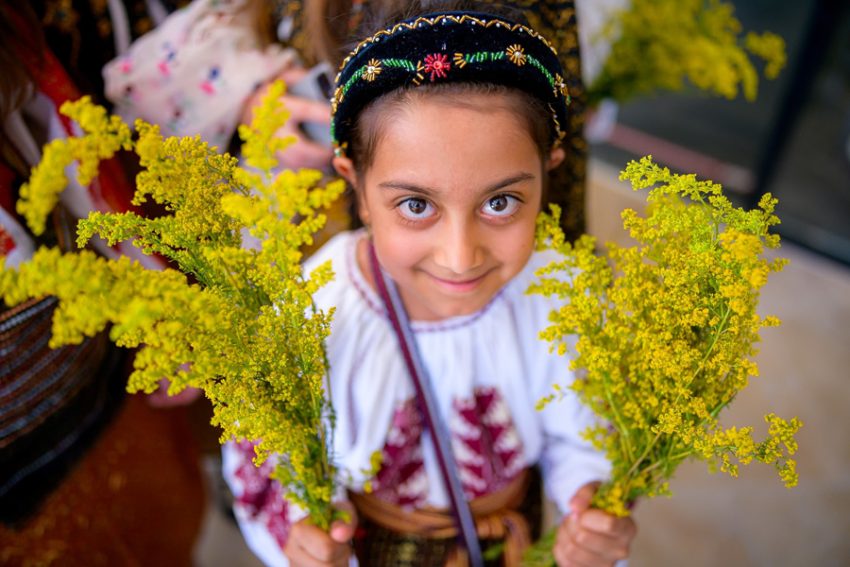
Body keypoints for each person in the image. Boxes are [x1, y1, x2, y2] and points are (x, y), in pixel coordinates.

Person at [222, 2, 637, 566]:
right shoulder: (311, 313)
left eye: (501, 201)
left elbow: (583, 433)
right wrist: (305, 536)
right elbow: (271, 461)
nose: (461, 256)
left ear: (549, 172)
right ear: (358, 187)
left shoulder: (561, 295)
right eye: (416, 204)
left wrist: (589, 506)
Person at [0, 4, 205, 564]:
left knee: (162, 536)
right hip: (17, 503)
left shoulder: (23, 66)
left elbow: (83, 175)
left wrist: (162, 312)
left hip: (112, 400)